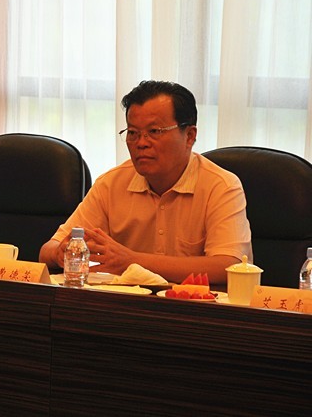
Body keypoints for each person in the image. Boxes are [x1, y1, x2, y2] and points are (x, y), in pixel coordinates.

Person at [39, 80, 251, 284]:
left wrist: (131, 261)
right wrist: (60, 252)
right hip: (127, 304)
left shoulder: (221, 186)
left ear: (189, 136)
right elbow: (48, 250)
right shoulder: (111, 184)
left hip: (193, 305)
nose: (141, 143)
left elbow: (229, 265)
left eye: (154, 131)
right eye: (133, 133)